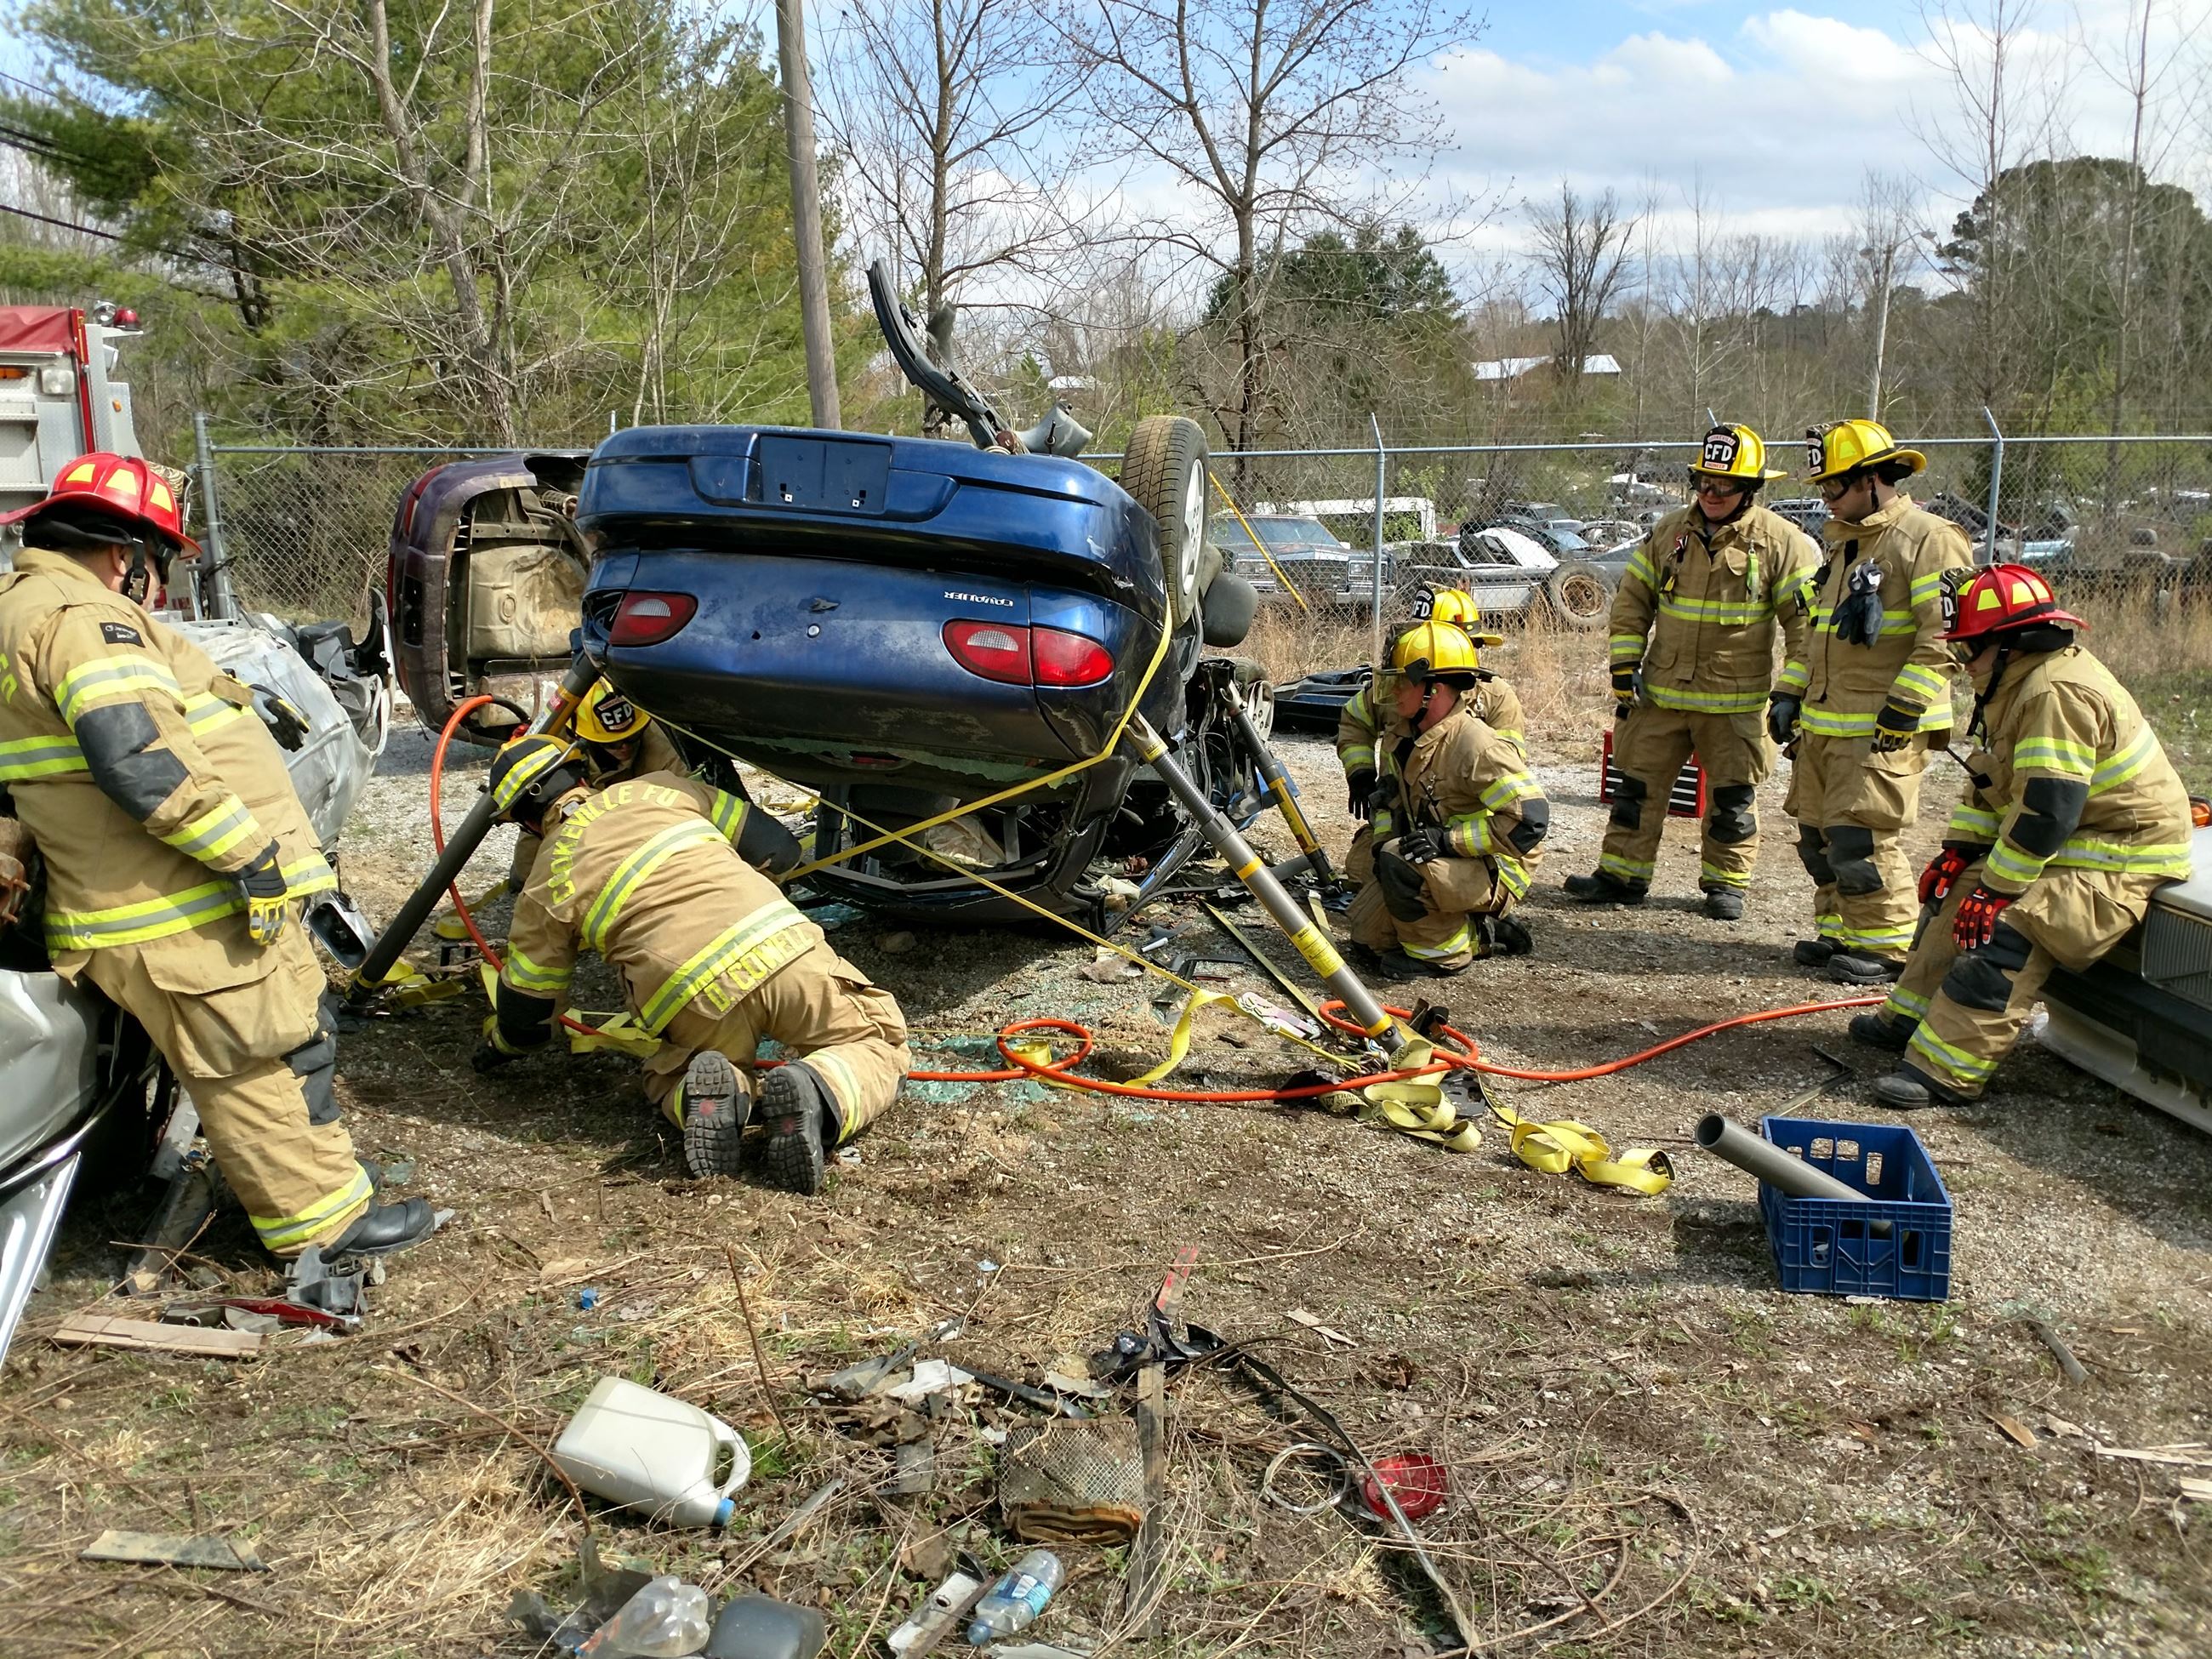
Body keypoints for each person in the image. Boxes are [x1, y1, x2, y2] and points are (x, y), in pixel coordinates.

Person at [0, 451, 436, 1260]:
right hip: (168, 903)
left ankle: (310, 1185)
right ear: (125, 555)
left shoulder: (20, 609)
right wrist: (249, 856)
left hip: (132, 895)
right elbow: (142, 760)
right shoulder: (81, 619)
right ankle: (324, 1230)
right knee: (250, 1055)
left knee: (271, 1038)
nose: (154, 584)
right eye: (155, 562)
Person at [473, 738, 909, 1193]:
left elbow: (529, 1011)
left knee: (677, 1073)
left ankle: (710, 1101)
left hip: (686, 996)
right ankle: (818, 1089)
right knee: (876, 1039)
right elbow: (779, 849)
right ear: (582, 772)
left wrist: (501, 1044)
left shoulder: (542, 886)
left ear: (525, 820)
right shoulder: (664, 788)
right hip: (778, 948)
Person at [1845, 564, 2192, 1107]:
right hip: (2067, 842)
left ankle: (1946, 1069)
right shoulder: (2016, 682)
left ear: (2007, 643)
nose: (1963, 664)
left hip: (2118, 853)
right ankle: (1909, 1021)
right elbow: (1995, 786)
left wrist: (1998, 888)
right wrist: (1959, 856)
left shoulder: (2055, 694)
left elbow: (2047, 812)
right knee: (1949, 900)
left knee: (2006, 928)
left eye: (1970, 650)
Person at [1563, 425, 1818, 920]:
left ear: (1751, 489)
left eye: (1724, 486)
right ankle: (1622, 875)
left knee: (1732, 799)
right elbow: (1634, 599)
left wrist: (1792, 690)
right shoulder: (1670, 531)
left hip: (1735, 703)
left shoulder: (1783, 544)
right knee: (1635, 788)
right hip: (1661, 695)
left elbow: (1807, 625)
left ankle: (1726, 885)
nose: (1712, 494)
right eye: (1704, 482)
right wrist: (1623, 664)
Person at [1777, 419, 1973, 984]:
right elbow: (1818, 638)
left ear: (1873, 480)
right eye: (1823, 490)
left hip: (1881, 727)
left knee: (1860, 838)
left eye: (1835, 488)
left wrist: (1904, 706)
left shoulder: (1928, 538)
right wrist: (1789, 693)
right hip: (1827, 723)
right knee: (1818, 836)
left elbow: (1947, 635)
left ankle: (1886, 945)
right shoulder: (1846, 546)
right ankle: (1843, 929)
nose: (1827, 501)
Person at [1346, 620, 1548, 978]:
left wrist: (1446, 842)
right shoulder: (1403, 736)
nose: (1392, 692)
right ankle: (1474, 932)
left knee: (1398, 863)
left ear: (1433, 692)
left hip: (1494, 865)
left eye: (1401, 682)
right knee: (1367, 937)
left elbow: (1529, 819)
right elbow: (1389, 804)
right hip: (1441, 856)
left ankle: (1443, 956)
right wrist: (1380, 842)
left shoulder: (1475, 744)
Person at [505, 676, 687, 889]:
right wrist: (527, 882)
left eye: (632, 738)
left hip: (639, 824)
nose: (624, 748)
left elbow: (683, 812)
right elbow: (536, 822)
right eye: (613, 743)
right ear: (579, 736)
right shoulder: (557, 746)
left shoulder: (662, 750)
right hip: (577, 816)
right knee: (524, 880)